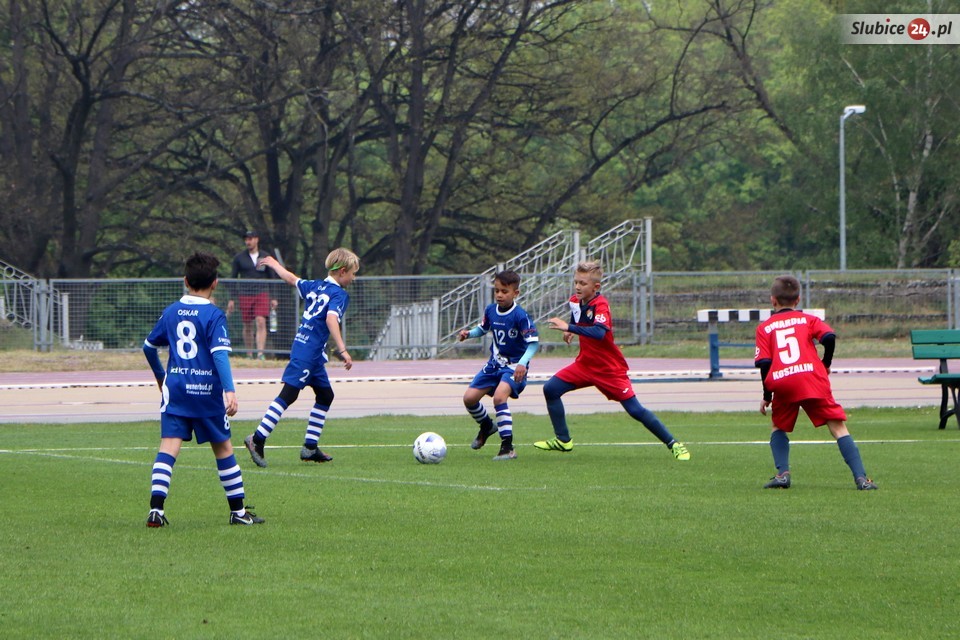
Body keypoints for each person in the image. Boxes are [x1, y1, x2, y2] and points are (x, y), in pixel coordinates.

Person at [142, 251, 264, 527]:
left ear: (186, 281)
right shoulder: (214, 315)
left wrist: (161, 378)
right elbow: (219, 354)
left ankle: (156, 510)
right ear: (215, 283)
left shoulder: (171, 311)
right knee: (223, 448)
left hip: (176, 389)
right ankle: (238, 512)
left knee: (168, 447)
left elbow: (149, 347)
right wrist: (229, 390)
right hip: (206, 392)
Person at [534, 260, 690, 461]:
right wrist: (570, 330)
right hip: (584, 365)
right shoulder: (575, 300)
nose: (578, 287)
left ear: (596, 287)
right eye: (576, 282)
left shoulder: (601, 305)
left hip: (608, 369)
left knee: (635, 410)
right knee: (550, 389)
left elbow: (599, 333)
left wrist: (569, 328)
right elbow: (577, 317)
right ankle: (563, 440)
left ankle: (674, 444)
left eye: (583, 283)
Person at [755, 275, 877, 490]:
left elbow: (765, 363)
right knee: (838, 427)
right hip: (812, 377)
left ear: (773, 300)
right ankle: (861, 479)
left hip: (783, 380)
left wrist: (767, 396)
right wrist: (825, 363)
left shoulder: (765, 328)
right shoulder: (808, 320)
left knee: (778, 426)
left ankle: (783, 474)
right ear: (798, 300)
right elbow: (829, 337)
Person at [243, 248, 359, 468]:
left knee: (325, 395)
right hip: (308, 352)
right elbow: (331, 319)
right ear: (343, 271)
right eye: (353, 273)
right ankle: (257, 439)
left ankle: (310, 447)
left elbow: (291, 279)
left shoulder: (315, 285)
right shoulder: (339, 295)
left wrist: (275, 265)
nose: (354, 278)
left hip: (310, 352)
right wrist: (343, 349)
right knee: (288, 394)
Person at [458, 270, 539, 461]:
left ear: (515, 293)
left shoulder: (520, 316)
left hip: (513, 368)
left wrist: (522, 363)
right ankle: (487, 426)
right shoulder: (491, 310)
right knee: (469, 399)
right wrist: (469, 334)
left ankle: (507, 448)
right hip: (494, 365)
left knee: (499, 398)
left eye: (504, 291)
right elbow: (483, 328)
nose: (499, 295)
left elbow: (533, 343)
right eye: (497, 291)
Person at [227, 230, 279, 360]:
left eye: (250, 239)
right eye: (246, 239)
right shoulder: (239, 258)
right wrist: (232, 298)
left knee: (261, 321)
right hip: (245, 294)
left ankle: (260, 353)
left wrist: (274, 297)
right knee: (247, 324)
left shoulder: (265, 257)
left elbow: (272, 277)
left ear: (256, 239)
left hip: (261, 292)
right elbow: (233, 278)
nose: (248, 242)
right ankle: (249, 354)